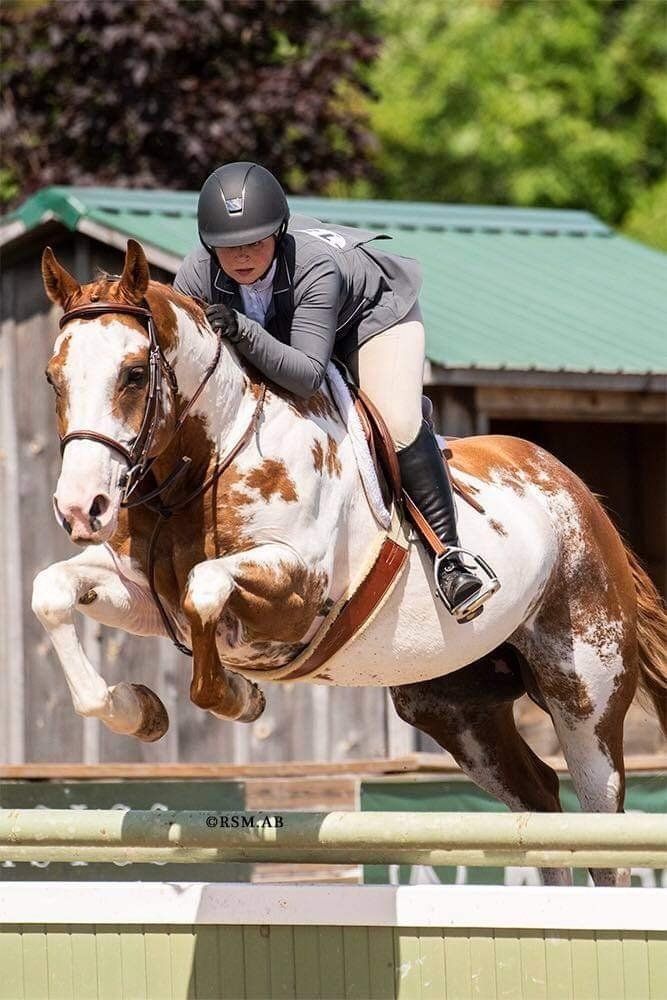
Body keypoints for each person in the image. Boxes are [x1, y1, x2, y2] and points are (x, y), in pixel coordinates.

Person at [174, 161, 496, 620]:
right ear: (209, 245)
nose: (241, 256)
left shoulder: (314, 267)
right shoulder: (196, 275)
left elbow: (306, 376)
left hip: (371, 318)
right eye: (228, 247)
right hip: (290, 331)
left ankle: (451, 557)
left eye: (254, 242)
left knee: (399, 423)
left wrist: (242, 330)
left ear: (278, 233)